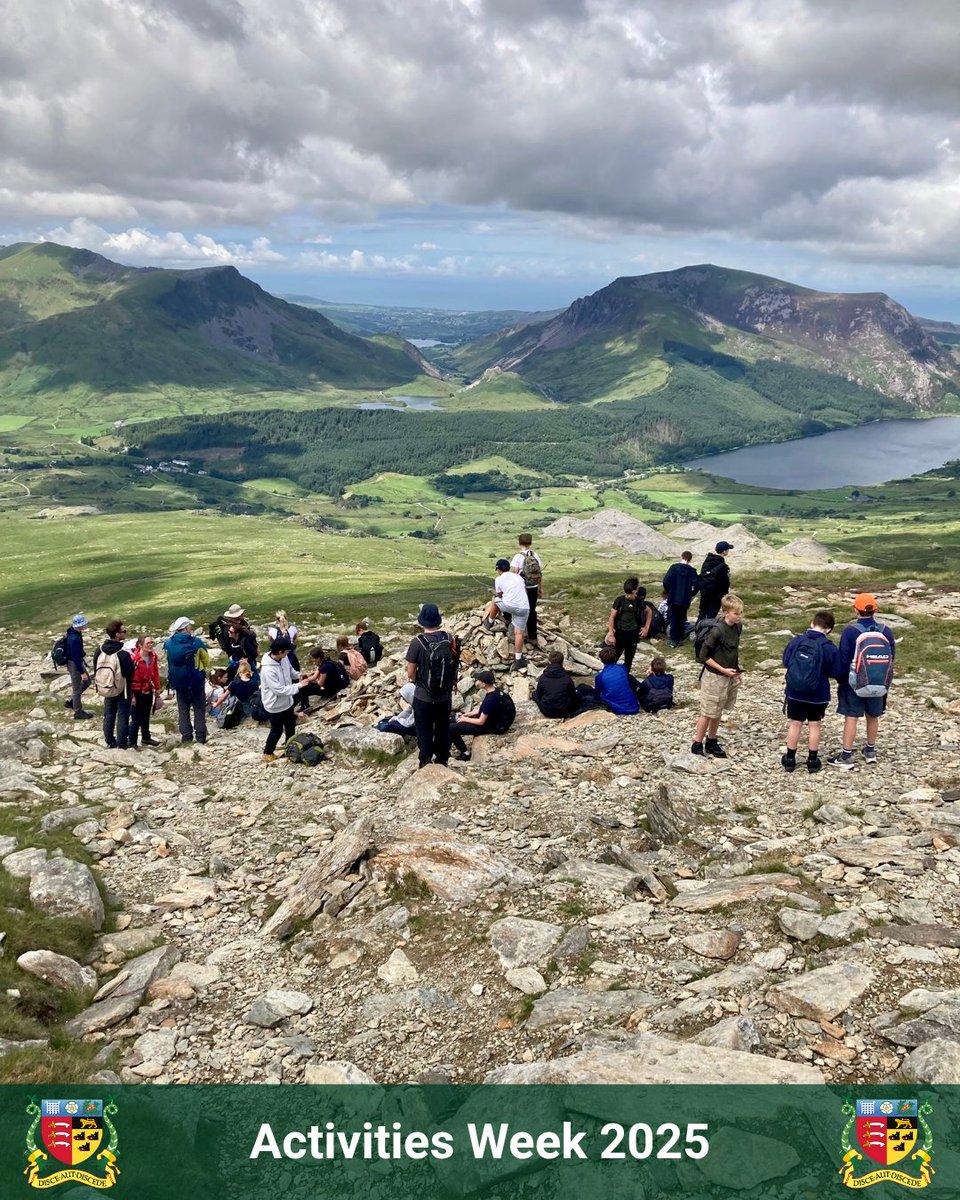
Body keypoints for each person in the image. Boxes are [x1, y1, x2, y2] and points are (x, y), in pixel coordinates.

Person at [829, 593, 896, 770]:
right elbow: (892, 657)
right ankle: (870, 751)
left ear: (856, 610)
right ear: (875, 610)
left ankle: (846, 755)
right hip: (879, 682)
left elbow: (843, 659)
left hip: (854, 683)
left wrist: (840, 679)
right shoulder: (885, 631)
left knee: (851, 716)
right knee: (873, 715)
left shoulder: (851, 631)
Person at [781, 610, 840, 774]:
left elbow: (786, 662)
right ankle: (812, 760)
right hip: (818, 693)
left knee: (795, 723)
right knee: (814, 725)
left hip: (795, 691)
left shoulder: (797, 641)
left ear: (812, 623)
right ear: (828, 629)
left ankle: (790, 759)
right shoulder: (829, 647)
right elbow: (835, 671)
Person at [406, 603, 458, 769]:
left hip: (423, 695)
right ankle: (442, 759)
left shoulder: (417, 643)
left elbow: (410, 672)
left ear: (422, 622)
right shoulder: (449, 639)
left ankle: (425, 760)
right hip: (444, 694)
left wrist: (415, 681)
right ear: (438, 620)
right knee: (443, 727)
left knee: (424, 729)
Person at [691, 593, 743, 758]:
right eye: (736, 613)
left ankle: (711, 740)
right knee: (707, 711)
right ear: (726, 612)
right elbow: (703, 656)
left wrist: (736, 670)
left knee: (718, 710)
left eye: (740, 613)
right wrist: (723, 670)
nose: (739, 616)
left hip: (729, 674)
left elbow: (733, 650)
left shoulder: (737, 627)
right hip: (714, 677)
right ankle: (697, 743)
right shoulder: (717, 631)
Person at [164, 617, 208, 744]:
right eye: (190, 626)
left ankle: (186, 736)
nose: (191, 629)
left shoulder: (169, 643)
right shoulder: (196, 642)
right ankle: (200, 736)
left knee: (183, 709)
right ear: (186, 628)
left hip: (178, 682)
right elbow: (205, 659)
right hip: (196, 681)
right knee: (199, 708)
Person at [260, 636, 303, 763]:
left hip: (287, 702)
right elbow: (279, 690)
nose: (288, 653)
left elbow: (290, 671)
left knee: (291, 726)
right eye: (286, 651)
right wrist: (299, 685)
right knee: (276, 731)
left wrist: (300, 676)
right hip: (274, 705)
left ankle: (290, 749)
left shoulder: (283, 659)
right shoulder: (268, 670)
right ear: (280, 652)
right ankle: (267, 753)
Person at [93, 619, 135, 749]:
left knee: (109, 713)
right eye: (123, 631)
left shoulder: (99, 650)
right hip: (123, 688)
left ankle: (109, 740)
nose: (125, 633)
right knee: (123, 714)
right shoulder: (123, 653)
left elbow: (95, 667)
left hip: (106, 686)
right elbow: (130, 672)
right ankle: (122, 743)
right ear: (117, 634)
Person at [483, 559, 530, 670]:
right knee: (519, 633)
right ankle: (518, 659)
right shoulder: (518, 577)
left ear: (498, 569)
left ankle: (489, 622)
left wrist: (494, 592)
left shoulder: (498, 579)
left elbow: (500, 594)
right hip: (524, 607)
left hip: (509, 606)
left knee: (495, 600)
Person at [449, 670, 506, 761]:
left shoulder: (490, 700)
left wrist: (465, 719)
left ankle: (465, 752)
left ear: (484, 684)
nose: (478, 682)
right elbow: (484, 710)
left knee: (451, 728)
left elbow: (481, 721)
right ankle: (446, 748)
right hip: (489, 720)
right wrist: (471, 713)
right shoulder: (495, 691)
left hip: (484, 727)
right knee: (451, 720)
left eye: (479, 681)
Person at [129, 634, 162, 748]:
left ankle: (146, 737)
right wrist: (132, 695)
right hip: (136, 690)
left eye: (151, 643)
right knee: (136, 717)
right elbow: (129, 678)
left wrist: (157, 687)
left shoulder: (153, 656)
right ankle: (132, 741)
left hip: (148, 688)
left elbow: (155, 672)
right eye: (148, 643)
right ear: (140, 645)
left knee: (146, 715)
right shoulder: (134, 659)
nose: (150, 645)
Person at [511, 533, 543, 646]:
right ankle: (533, 637)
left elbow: (514, 574)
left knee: (521, 610)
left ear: (519, 543)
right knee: (532, 611)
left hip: (522, 589)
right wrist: (540, 588)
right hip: (533, 587)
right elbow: (539, 573)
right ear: (531, 543)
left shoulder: (518, 557)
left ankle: (518, 634)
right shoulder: (536, 556)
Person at [662, 550, 699, 647]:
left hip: (673, 597)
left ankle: (673, 639)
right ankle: (679, 638)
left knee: (673, 618)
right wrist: (691, 594)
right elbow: (696, 585)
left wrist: (669, 591)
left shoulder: (674, 568)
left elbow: (666, 580)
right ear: (690, 559)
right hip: (685, 599)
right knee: (682, 618)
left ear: (681, 556)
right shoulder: (692, 571)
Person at [606, 578, 643, 673]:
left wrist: (646, 628)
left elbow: (648, 611)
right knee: (614, 657)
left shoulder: (638, 601)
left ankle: (625, 676)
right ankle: (609, 675)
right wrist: (611, 634)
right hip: (620, 632)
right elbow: (612, 617)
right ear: (634, 590)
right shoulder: (619, 601)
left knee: (629, 659)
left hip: (633, 633)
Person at [297, 646, 349, 712]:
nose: (312, 660)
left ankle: (305, 706)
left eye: (313, 658)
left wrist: (310, 682)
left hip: (328, 690)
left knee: (303, 688)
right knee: (304, 684)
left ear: (318, 658)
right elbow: (315, 676)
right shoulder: (325, 661)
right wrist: (306, 679)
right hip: (330, 685)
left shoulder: (324, 667)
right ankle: (304, 705)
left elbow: (320, 683)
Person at [593, 646, 640, 715]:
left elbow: (597, 694)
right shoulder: (623, 668)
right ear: (615, 658)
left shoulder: (600, 676)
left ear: (602, 660)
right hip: (635, 707)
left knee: (600, 693)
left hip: (620, 709)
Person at [533, 650, 579, 719]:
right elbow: (572, 695)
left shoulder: (543, 677)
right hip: (564, 711)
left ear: (549, 662)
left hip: (547, 710)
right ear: (562, 662)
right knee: (578, 694)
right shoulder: (567, 677)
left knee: (534, 693)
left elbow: (539, 694)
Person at [64, 613, 93, 720]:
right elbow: (75, 656)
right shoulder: (74, 638)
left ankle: (72, 701)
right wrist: (82, 672)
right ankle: (77, 711)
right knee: (77, 688)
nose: (85, 626)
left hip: (75, 662)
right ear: (80, 625)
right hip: (74, 663)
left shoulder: (73, 632)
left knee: (87, 682)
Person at [697, 542, 733, 621]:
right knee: (712, 614)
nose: (728, 551)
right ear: (724, 552)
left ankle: (698, 630)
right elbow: (725, 583)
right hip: (717, 594)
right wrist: (725, 594)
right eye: (727, 550)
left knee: (702, 612)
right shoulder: (723, 566)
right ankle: (708, 631)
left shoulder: (707, 561)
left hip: (705, 591)